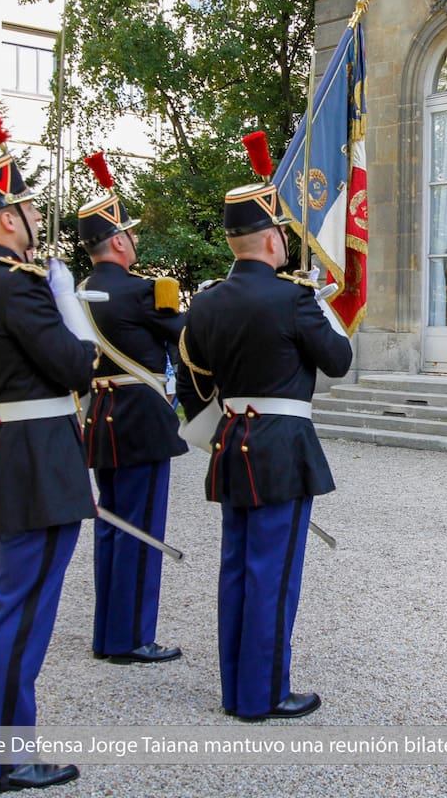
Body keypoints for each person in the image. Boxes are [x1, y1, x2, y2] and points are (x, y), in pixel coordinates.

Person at [0, 102, 95, 794]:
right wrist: (68, 304)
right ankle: (1, 759)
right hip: (35, 458)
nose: (37, 221)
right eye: (29, 210)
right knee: (21, 608)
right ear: (8, 218)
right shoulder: (18, 286)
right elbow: (76, 365)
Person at [176, 133, 353, 721]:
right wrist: (319, 305)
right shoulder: (294, 298)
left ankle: (236, 690)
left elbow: (192, 378)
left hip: (231, 442)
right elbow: (339, 361)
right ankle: (264, 694)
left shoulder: (204, 303)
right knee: (273, 576)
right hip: (281, 446)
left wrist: (211, 434)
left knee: (235, 570)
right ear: (273, 238)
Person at [77, 152, 185, 666]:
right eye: (131, 234)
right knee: (141, 528)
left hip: (100, 417)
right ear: (117, 239)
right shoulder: (147, 292)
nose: (135, 242)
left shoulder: (77, 294)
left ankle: (108, 632)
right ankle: (131, 638)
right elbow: (186, 340)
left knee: (112, 524)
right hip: (140, 418)